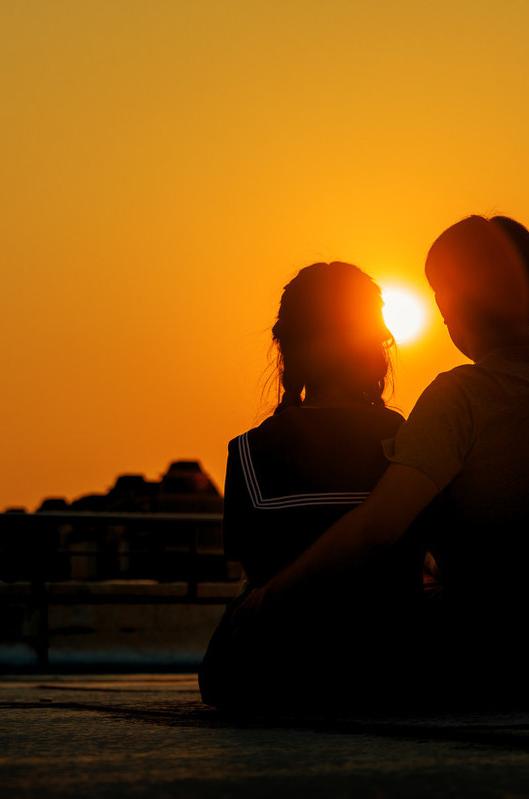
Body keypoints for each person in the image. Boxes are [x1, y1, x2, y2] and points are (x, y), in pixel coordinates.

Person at [237, 216, 529, 708]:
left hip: (498, 660)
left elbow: (377, 529)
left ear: (450, 305)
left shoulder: (460, 396)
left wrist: (269, 599)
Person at [198, 261, 423, 711]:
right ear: (376, 347)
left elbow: (253, 570)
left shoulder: (248, 450)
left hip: (274, 673)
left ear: (287, 348)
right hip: (391, 669)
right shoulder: (410, 443)